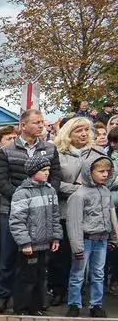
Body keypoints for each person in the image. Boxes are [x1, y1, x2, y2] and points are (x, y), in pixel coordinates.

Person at [0, 109, 61, 313]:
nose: (41, 125)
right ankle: (3, 296)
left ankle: (34, 300)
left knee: (38, 260)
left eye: (42, 122)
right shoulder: (6, 151)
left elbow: (56, 176)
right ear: (23, 125)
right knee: (8, 256)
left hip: (41, 214)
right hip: (11, 211)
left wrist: (44, 196)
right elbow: (1, 181)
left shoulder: (49, 149)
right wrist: (25, 198)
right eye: (36, 122)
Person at [52, 117, 103, 306]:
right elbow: (54, 183)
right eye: (78, 130)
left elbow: (107, 178)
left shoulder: (97, 152)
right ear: (68, 133)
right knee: (62, 255)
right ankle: (58, 290)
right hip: (65, 211)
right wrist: (79, 190)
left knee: (84, 257)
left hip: (90, 214)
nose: (83, 134)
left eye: (86, 130)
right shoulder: (58, 153)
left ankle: (79, 292)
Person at [9, 154, 62, 316]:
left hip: (44, 243)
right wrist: (24, 243)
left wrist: (56, 236)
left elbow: (55, 216)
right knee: (27, 277)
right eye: (43, 170)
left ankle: (36, 307)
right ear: (32, 171)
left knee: (40, 277)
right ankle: (21, 308)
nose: (47, 173)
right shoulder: (22, 193)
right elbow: (17, 221)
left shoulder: (50, 190)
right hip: (30, 245)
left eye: (48, 170)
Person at [65, 156, 118, 317]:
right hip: (85, 240)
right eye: (101, 171)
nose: (105, 174)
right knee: (78, 273)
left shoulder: (106, 192)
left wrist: (113, 238)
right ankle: (74, 303)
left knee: (99, 273)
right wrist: (77, 246)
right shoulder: (79, 195)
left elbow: (111, 216)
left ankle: (96, 304)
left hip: (102, 240)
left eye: (107, 171)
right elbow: (74, 222)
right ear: (89, 172)